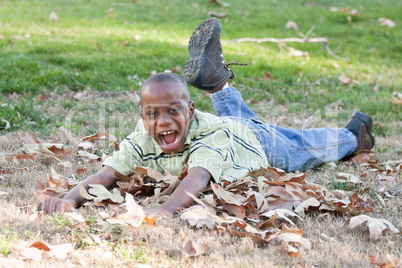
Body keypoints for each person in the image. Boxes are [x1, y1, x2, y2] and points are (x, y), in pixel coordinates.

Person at [42, 17, 374, 216]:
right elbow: (105, 175)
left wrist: (167, 210)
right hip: (234, 128)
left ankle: (354, 135)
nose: (163, 121)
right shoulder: (142, 138)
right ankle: (218, 84)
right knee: (244, 121)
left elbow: (198, 179)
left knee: (303, 148)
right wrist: (69, 199)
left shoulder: (207, 135)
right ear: (142, 118)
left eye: (173, 111)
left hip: (254, 146)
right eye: (153, 114)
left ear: (190, 110)